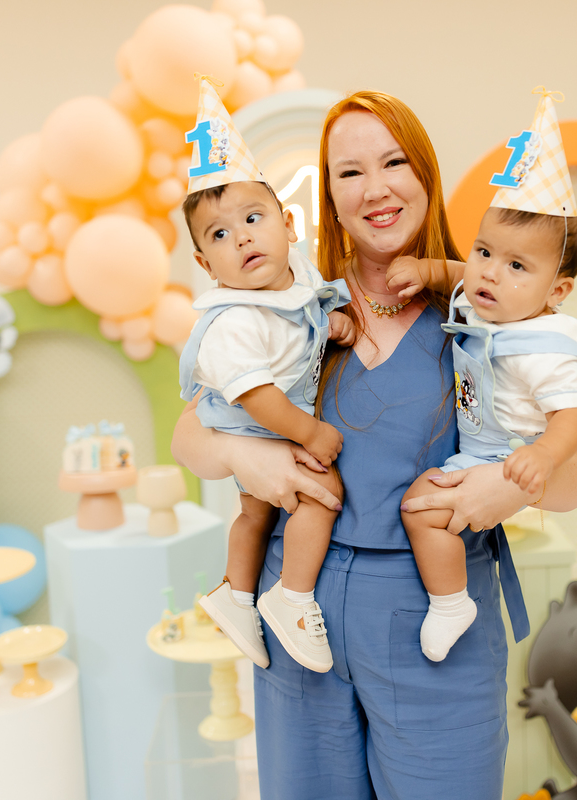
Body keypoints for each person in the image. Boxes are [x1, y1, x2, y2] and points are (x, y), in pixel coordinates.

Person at [172, 89, 577, 800]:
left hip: (433, 622)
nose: (375, 188)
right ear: (327, 197)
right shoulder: (291, 306)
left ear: (426, 175)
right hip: (301, 616)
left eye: (394, 162)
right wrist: (244, 456)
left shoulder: (487, 303)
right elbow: (190, 435)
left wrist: (505, 486)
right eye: (350, 172)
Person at [397, 88, 577, 663]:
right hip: (478, 452)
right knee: (421, 507)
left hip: (512, 455)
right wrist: (425, 269)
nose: (490, 273)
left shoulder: (547, 349)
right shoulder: (485, 300)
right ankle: (452, 601)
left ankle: (450, 603)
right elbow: (459, 275)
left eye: (517, 265)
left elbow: (572, 418)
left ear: (557, 291)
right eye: (485, 251)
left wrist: (542, 457)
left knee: (425, 508)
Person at [178, 77, 354, 674]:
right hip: (255, 425)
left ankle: (235, 594)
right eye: (220, 235)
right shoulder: (233, 321)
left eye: (253, 218)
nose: (243, 237)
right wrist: (309, 433)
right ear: (205, 263)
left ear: (289, 226)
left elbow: (306, 317)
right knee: (321, 496)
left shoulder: (295, 279)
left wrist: (331, 323)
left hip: (269, 424)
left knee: (256, 515)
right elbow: (258, 396)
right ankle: (292, 598)